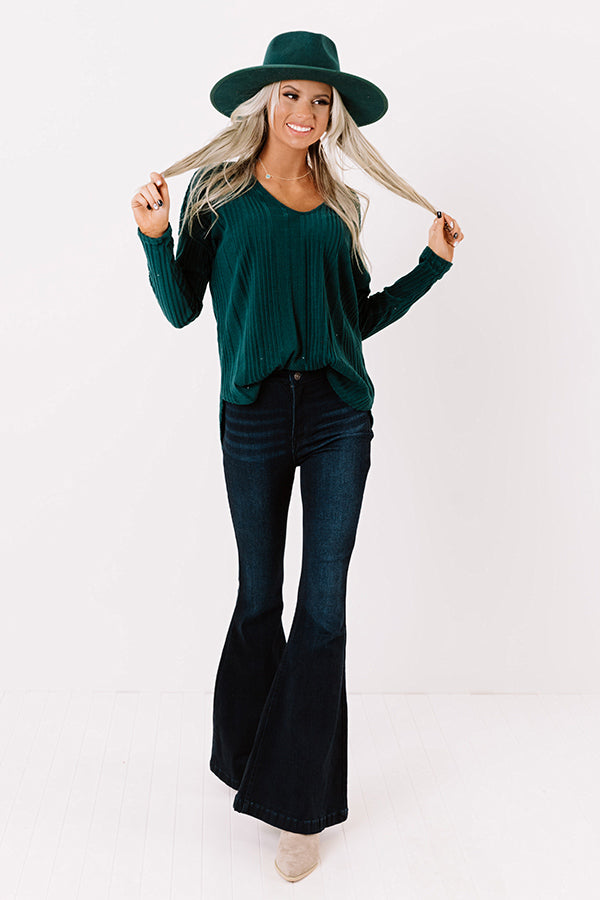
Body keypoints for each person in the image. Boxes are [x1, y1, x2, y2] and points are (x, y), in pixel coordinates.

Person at [131, 30, 463, 884]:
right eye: (292, 95)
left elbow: (357, 318)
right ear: (265, 102)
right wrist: (154, 236)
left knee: (323, 610)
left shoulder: (342, 203)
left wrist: (430, 267)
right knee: (258, 599)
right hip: (251, 415)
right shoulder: (217, 195)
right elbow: (180, 309)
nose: (306, 112)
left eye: (321, 100)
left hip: (336, 415)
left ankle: (297, 807)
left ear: (334, 114)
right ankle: (246, 756)